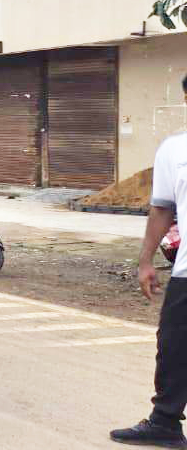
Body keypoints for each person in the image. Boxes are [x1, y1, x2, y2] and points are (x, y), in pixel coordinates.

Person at [111, 74, 187, 448]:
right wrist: (145, 262)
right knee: (173, 345)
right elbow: (161, 209)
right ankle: (166, 423)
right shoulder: (174, 150)